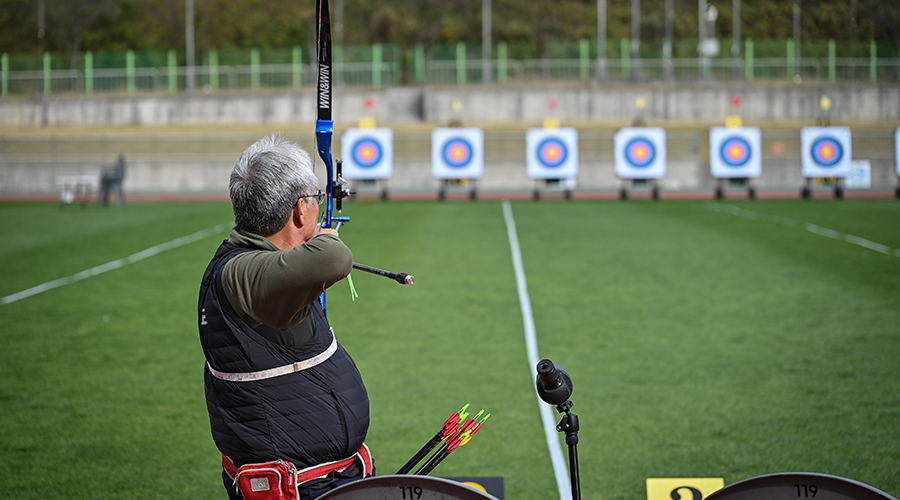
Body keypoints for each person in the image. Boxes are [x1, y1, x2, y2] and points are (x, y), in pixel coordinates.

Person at [197, 134, 373, 500]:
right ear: (299, 211)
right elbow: (334, 257)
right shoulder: (243, 271)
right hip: (295, 489)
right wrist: (322, 235)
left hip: (323, 481)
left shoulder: (260, 265)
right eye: (316, 200)